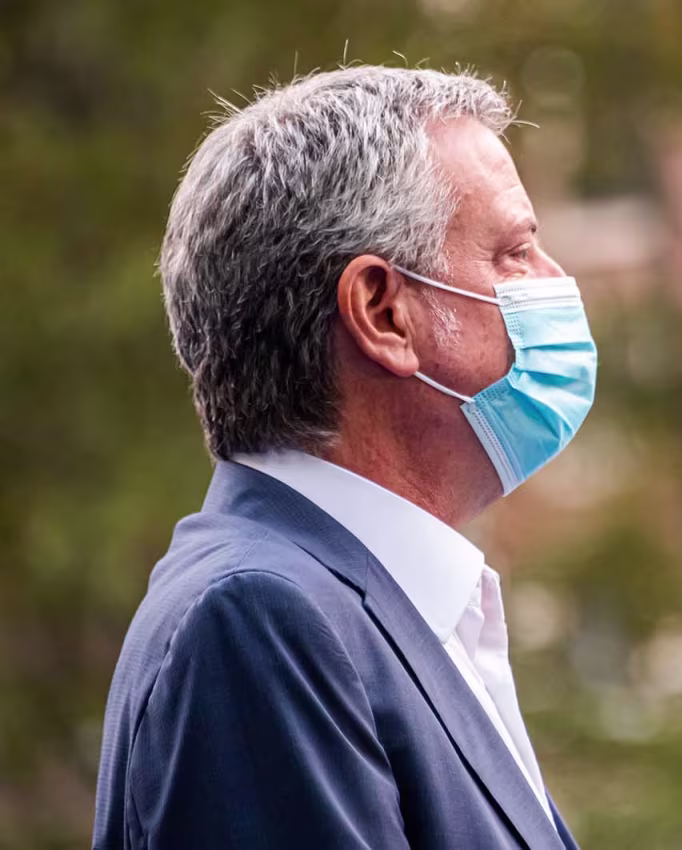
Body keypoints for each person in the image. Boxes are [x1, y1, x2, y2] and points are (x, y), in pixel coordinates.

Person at [92, 66, 595, 850]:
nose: (557, 282)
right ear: (382, 311)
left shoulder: (375, 611)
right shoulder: (258, 620)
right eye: (515, 252)